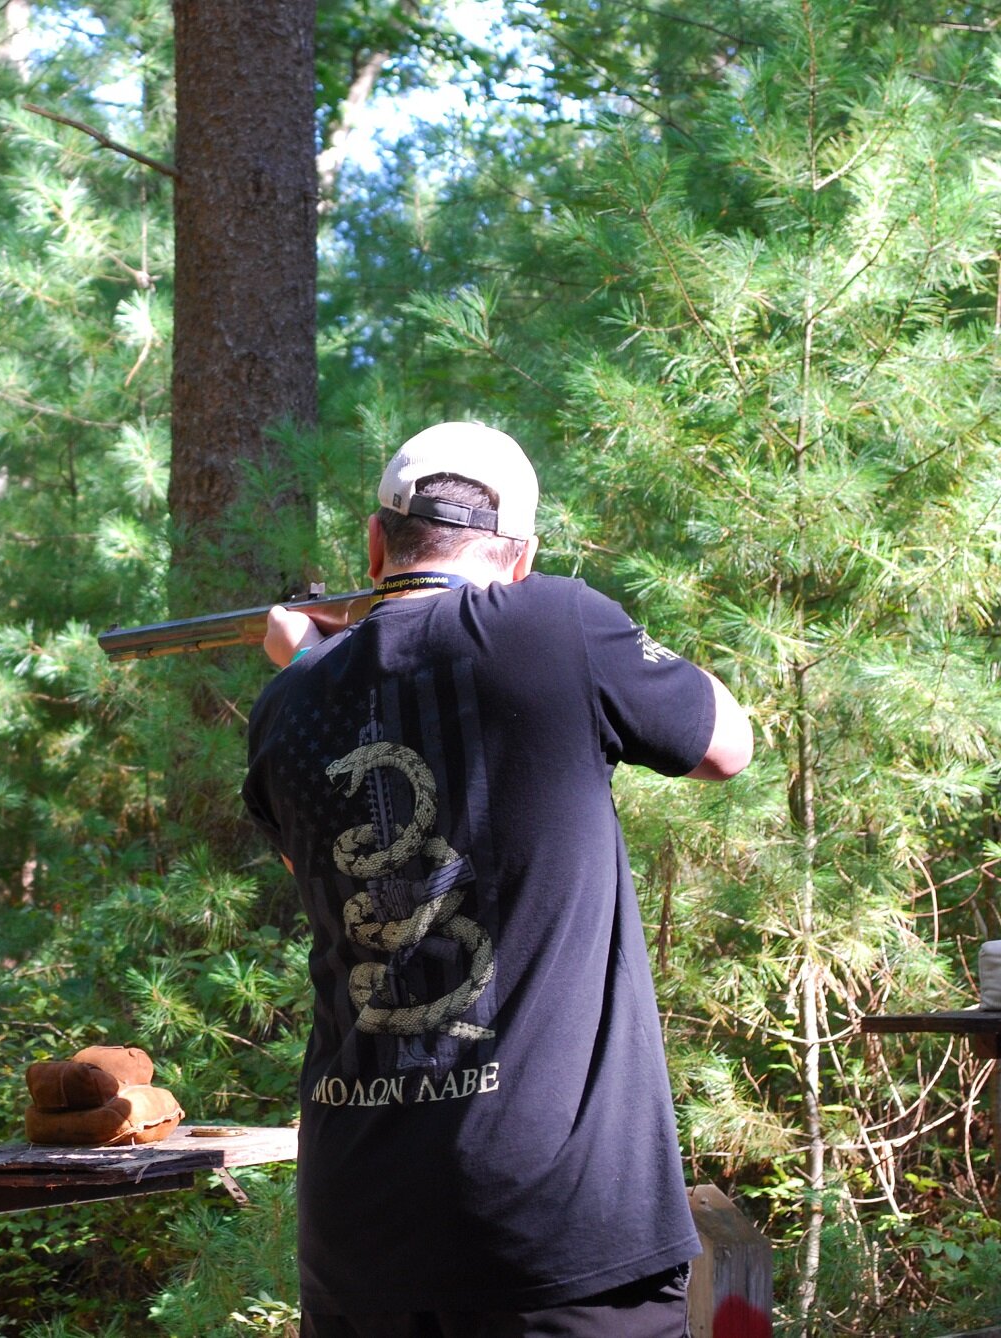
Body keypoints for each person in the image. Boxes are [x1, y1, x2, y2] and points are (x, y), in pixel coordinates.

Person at [243, 421, 752, 1338]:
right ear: (521, 556)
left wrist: (316, 657)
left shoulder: (289, 702)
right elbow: (727, 745)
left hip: (360, 1244)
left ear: (374, 541)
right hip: (559, 1235)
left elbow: (310, 864)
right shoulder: (559, 623)